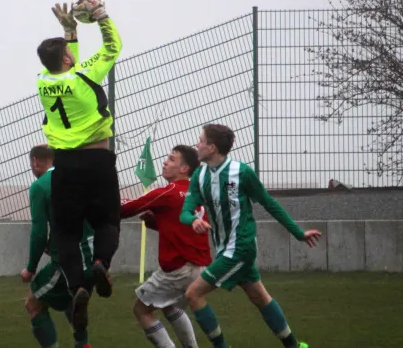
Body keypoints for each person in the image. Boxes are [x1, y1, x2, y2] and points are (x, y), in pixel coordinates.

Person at [179, 124, 322, 348]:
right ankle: (293, 345)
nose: (196, 144)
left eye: (200, 140)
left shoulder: (242, 172)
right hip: (224, 248)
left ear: (212, 147)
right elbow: (185, 212)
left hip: (241, 247)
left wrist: (298, 233)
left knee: (193, 294)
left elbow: (269, 203)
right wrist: (194, 220)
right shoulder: (199, 174)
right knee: (259, 297)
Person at [35, 0, 123, 330]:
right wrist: (99, 14)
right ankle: (101, 263)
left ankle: (78, 286)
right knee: (107, 222)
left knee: (67, 235)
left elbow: (65, 63)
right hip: (98, 161)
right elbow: (113, 47)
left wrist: (69, 31)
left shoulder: (43, 80)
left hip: (65, 166)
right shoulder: (84, 75)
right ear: (69, 60)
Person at [120, 145, 212, 348]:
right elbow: (178, 226)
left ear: (184, 169)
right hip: (200, 268)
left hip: (178, 268)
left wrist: (104, 201)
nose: (165, 162)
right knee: (170, 306)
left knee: (141, 310)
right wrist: (154, 221)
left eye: (171, 159)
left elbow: (126, 208)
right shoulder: (195, 193)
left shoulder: (169, 191)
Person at [21, 145, 94, 348]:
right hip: (94, 256)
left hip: (68, 260)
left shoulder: (41, 186)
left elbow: (38, 233)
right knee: (70, 300)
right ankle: (83, 344)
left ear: (36, 161)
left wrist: (31, 268)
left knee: (33, 303)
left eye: (31, 163)